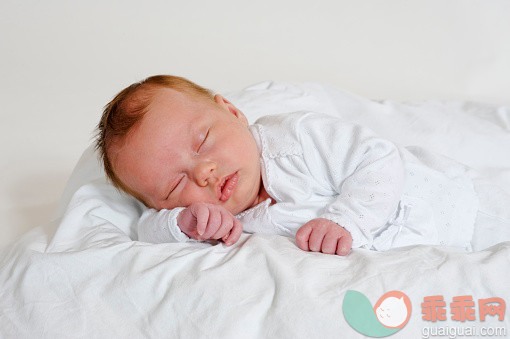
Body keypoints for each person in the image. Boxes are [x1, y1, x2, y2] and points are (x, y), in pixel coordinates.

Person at [96, 75, 508, 256]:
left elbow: (376, 156)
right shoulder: (214, 221)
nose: (204, 172)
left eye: (203, 141)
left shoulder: (295, 139)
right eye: (174, 186)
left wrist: (345, 221)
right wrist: (184, 222)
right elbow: (144, 230)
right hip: (435, 253)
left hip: (459, 201)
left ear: (233, 111)